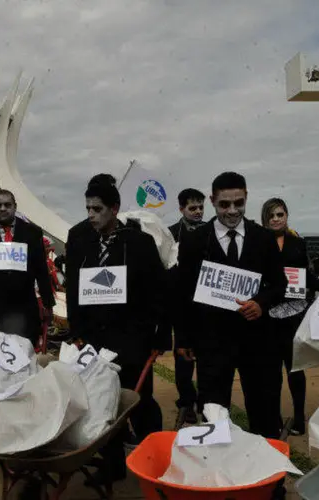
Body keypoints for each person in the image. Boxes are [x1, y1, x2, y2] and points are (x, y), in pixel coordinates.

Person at [67, 181, 169, 485]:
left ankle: (156, 463)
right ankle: (112, 466)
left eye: (97, 209)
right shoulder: (81, 241)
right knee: (102, 402)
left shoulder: (138, 243)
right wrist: (77, 330)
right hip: (95, 339)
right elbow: (73, 288)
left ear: (114, 209)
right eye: (87, 208)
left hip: (132, 339)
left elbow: (159, 292)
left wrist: (160, 336)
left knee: (139, 401)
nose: (91, 215)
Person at [174, 172, 287, 440]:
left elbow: (279, 284)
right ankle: (217, 475)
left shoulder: (263, 238)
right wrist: (184, 338)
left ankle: (269, 478)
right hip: (212, 343)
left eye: (238, 203)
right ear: (213, 201)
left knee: (264, 411)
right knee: (213, 412)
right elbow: (183, 292)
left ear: (246, 197)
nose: (232, 211)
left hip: (257, 341)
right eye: (224, 204)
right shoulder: (195, 240)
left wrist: (260, 303)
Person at [0, 189, 54, 344]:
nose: (3, 208)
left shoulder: (32, 233)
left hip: (25, 309)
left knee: (27, 357)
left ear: (15, 206)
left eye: (7, 204)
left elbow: (41, 271)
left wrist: (48, 304)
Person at [261, 198, 314, 436]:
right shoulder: (258, 243)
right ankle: (273, 420)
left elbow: (306, 276)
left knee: (295, 369)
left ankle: (300, 419)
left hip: (295, 313)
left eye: (280, 214)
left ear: (286, 216)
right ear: (265, 218)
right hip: (268, 316)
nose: (276, 219)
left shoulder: (298, 243)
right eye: (271, 215)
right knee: (271, 372)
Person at [168, 188, 206, 427]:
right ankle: (186, 401)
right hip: (181, 303)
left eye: (201, 207)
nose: (198, 212)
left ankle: (206, 401)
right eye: (193, 208)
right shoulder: (171, 234)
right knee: (183, 355)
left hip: (206, 303)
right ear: (181, 209)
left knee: (206, 355)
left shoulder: (213, 231)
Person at [65, 173, 117, 336]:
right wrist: (75, 329)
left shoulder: (132, 233)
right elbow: (72, 283)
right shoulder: (77, 234)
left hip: (122, 324)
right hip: (90, 323)